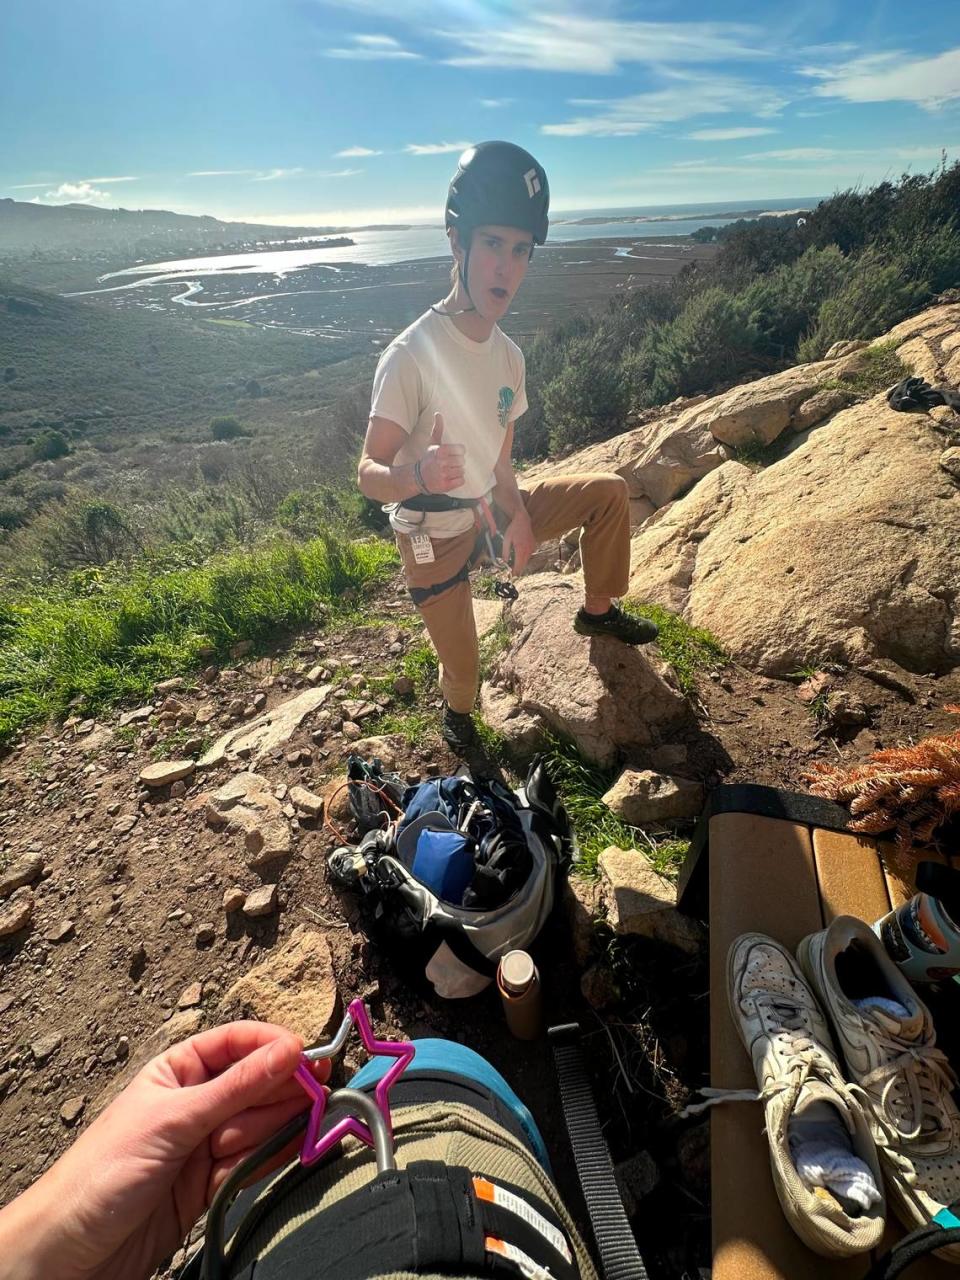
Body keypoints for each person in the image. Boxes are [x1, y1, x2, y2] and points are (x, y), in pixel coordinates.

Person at [357, 141, 658, 754]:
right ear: (457, 242)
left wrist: (516, 513)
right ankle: (459, 722)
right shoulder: (410, 355)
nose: (508, 268)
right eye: (493, 244)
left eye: (521, 251)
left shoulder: (509, 357)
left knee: (608, 494)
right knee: (464, 676)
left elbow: (499, 459)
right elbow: (368, 473)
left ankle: (597, 612)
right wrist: (418, 472)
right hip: (429, 532)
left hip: (487, 513)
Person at [0, 1020, 595, 1280]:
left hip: (245, 1207)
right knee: (442, 1060)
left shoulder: (146, 1208)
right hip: (435, 1188)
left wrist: (43, 1244)